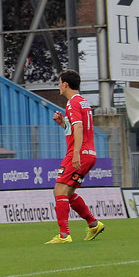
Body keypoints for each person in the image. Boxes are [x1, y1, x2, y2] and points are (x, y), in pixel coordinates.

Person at [46, 69, 105, 244]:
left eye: (59, 83)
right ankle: (93, 224)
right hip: (89, 153)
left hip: (79, 153)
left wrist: (76, 152)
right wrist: (63, 124)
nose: (58, 86)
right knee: (69, 193)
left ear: (65, 84)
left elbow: (79, 128)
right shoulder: (83, 102)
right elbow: (75, 128)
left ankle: (64, 235)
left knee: (59, 191)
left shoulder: (72, 104)